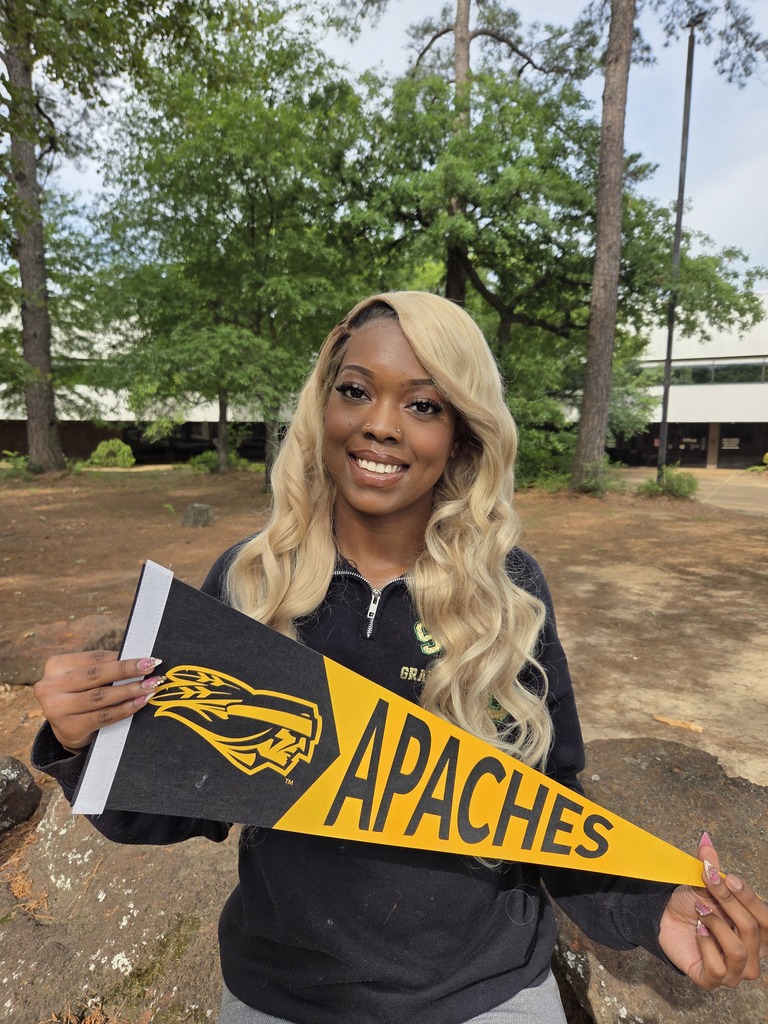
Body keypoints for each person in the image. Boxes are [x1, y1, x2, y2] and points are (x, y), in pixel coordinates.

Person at [33, 292, 767, 1024]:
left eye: (422, 405)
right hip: (282, 995)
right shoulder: (252, 581)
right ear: (323, 408)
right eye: (355, 391)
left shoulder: (509, 594)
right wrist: (84, 737)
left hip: (488, 994)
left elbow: (553, 809)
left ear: (463, 435)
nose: (380, 425)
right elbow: (164, 807)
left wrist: (653, 909)